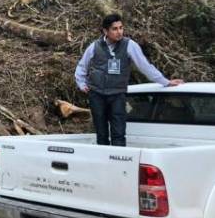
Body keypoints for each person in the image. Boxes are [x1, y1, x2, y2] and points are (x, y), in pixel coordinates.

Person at [74, 13, 184, 146]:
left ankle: (118, 162)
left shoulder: (129, 45)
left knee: (118, 132)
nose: (119, 32)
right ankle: (103, 163)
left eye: (121, 28)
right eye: (115, 29)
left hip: (117, 94)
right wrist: (81, 83)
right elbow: (82, 66)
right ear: (105, 31)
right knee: (101, 133)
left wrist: (165, 81)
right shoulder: (95, 46)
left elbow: (144, 66)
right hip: (97, 94)